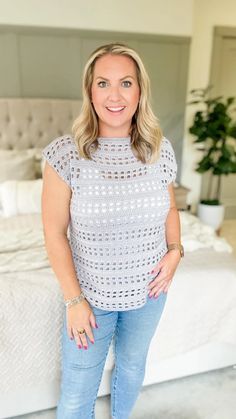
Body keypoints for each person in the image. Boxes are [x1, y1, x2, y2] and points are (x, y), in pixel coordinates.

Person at [41, 42, 184, 419]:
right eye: (103, 83)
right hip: (89, 297)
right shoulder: (66, 154)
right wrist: (74, 301)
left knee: (134, 367)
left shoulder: (159, 150)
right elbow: (55, 233)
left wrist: (175, 250)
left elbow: (170, 207)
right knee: (76, 392)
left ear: (139, 91)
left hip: (151, 291)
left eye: (126, 83)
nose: (115, 95)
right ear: (90, 91)